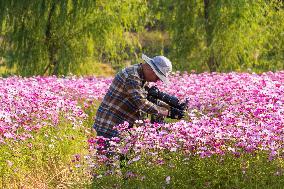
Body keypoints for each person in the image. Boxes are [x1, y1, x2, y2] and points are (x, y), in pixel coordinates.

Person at [93, 54, 173, 139]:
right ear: (153, 70)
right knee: (110, 152)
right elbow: (142, 103)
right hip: (109, 124)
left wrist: (168, 106)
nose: (157, 80)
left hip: (120, 125)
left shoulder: (141, 76)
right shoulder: (132, 76)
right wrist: (168, 113)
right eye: (158, 77)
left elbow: (148, 98)